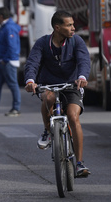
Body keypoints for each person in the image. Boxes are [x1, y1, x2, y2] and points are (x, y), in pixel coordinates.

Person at [24, 10, 91, 177]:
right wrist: (30, 81)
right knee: (48, 97)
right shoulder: (42, 43)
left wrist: (82, 77)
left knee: (73, 116)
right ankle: (48, 130)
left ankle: (79, 164)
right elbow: (32, 63)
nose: (73, 28)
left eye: (73, 25)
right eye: (69, 25)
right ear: (57, 27)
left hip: (71, 85)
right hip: (49, 84)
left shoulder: (76, 41)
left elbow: (84, 60)